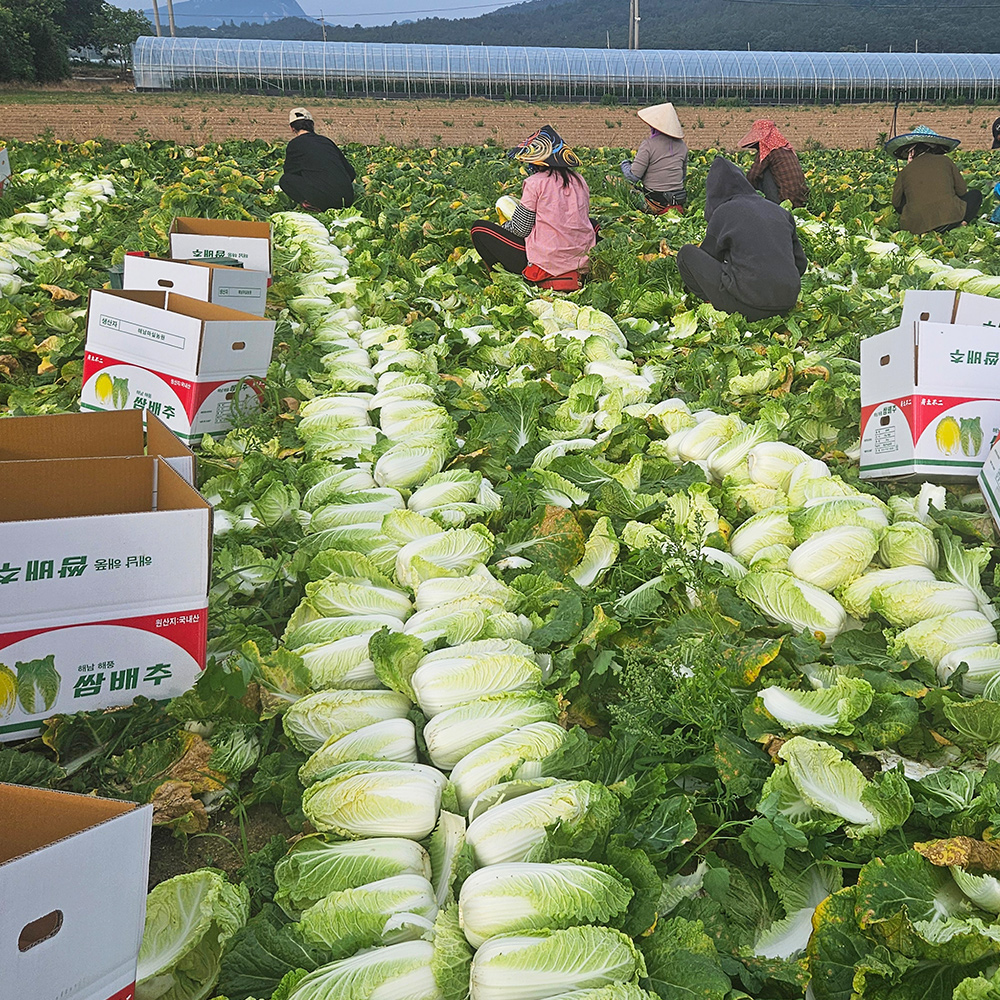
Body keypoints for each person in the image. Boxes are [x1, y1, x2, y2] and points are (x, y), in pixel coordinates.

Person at [676, 156, 807, 322]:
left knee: (686, 254)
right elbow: (800, 264)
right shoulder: (780, 211)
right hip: (786, 304)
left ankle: (710, 300)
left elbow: (708, 257)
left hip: (747, 308)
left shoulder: (724, 211)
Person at [470, 125, 596, 291]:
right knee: (593, 223)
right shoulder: (579, 180)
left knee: (479, 230)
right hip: (579, 258)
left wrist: (504, 226)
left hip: (549, 261)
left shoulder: (535, 183)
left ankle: (503, 277)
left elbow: (521, 229)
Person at [885, 125, 982, 234]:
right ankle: (961, 224)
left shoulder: (904, 172)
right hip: (950, 219)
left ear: (911, 152)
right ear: (935, 147)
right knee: (975, 195)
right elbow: (962, 191)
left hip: (916, 228)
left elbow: (896, 203)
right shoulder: (945, 161)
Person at [279, 107, 356, 211]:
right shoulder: (326, 141)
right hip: (347, 199)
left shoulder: (295, 144)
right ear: (312, 125)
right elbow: (351, 172)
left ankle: (310, 206)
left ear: (292, 128)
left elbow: (290, 172)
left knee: (285, 180)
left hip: (324, 200)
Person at [619, 102, 688, 214]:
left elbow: (633, 177)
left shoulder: (649, 145)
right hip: (677, 199)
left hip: (655, 201)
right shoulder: (682, 146)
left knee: (609, 180)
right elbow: (683, 176)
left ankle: (650, 210)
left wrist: (625, 164)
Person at [737, 119, 808, 209]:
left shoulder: (768, 149)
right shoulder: (786, 148)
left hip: (783, 201)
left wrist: (744, 194)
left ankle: (769, 206)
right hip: (800, 199)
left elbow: (752, 176)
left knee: (764, 172)